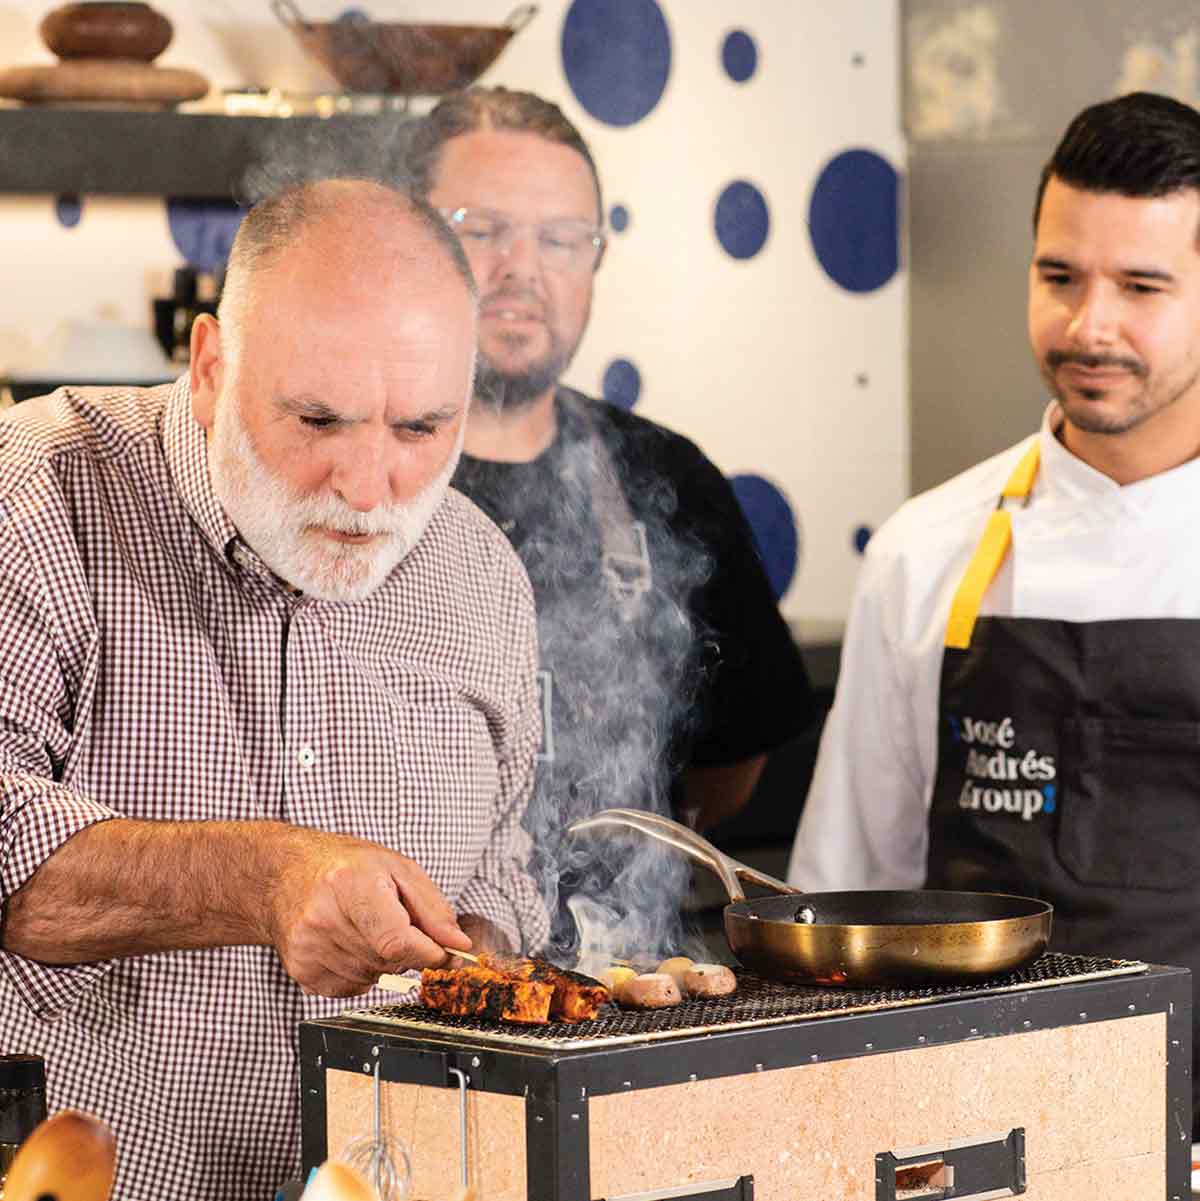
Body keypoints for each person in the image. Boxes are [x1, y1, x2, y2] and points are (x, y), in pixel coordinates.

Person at [0, 179, 548, 1200]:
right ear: (209, 368)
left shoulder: (482, 575)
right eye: (316, 419)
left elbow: (505, 866)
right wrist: (266, 879)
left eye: (421, 427)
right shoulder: (42, 491)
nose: (368, 487)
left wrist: (475, 952)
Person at [788, 90, 1200, 1135]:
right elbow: (843, 898)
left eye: (1142, 286)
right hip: (967, 1131)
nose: (1088, 323)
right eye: (1059, 276)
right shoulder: (928, 552)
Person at [406, 86, 813, 959]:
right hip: (393, 985)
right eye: (481, 229)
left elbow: (733, 758)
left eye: (561, 239)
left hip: (621, 987)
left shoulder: (669, 479)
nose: (522, 267)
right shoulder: (349, 474)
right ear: (410, 239)